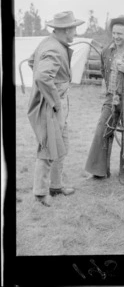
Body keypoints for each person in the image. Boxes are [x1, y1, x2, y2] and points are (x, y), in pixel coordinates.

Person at [27, 11, 84, 206]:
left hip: (53, 102)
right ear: (67, 29)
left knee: (61, 145)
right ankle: (41, 194)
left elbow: (32, 62)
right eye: (74, 28)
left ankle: (56, 185)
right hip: (49, 106)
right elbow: (42, 76)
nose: (75, 32)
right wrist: (55, 102)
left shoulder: (50, 43)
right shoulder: (53, 48)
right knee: (48, 146)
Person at [85, 16, 124, 180]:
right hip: (111, 98)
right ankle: (99, 170)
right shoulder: (107, 51)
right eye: (114, 33)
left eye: (120, 33)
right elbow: (103, 70)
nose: (116, 36)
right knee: (102, 130)